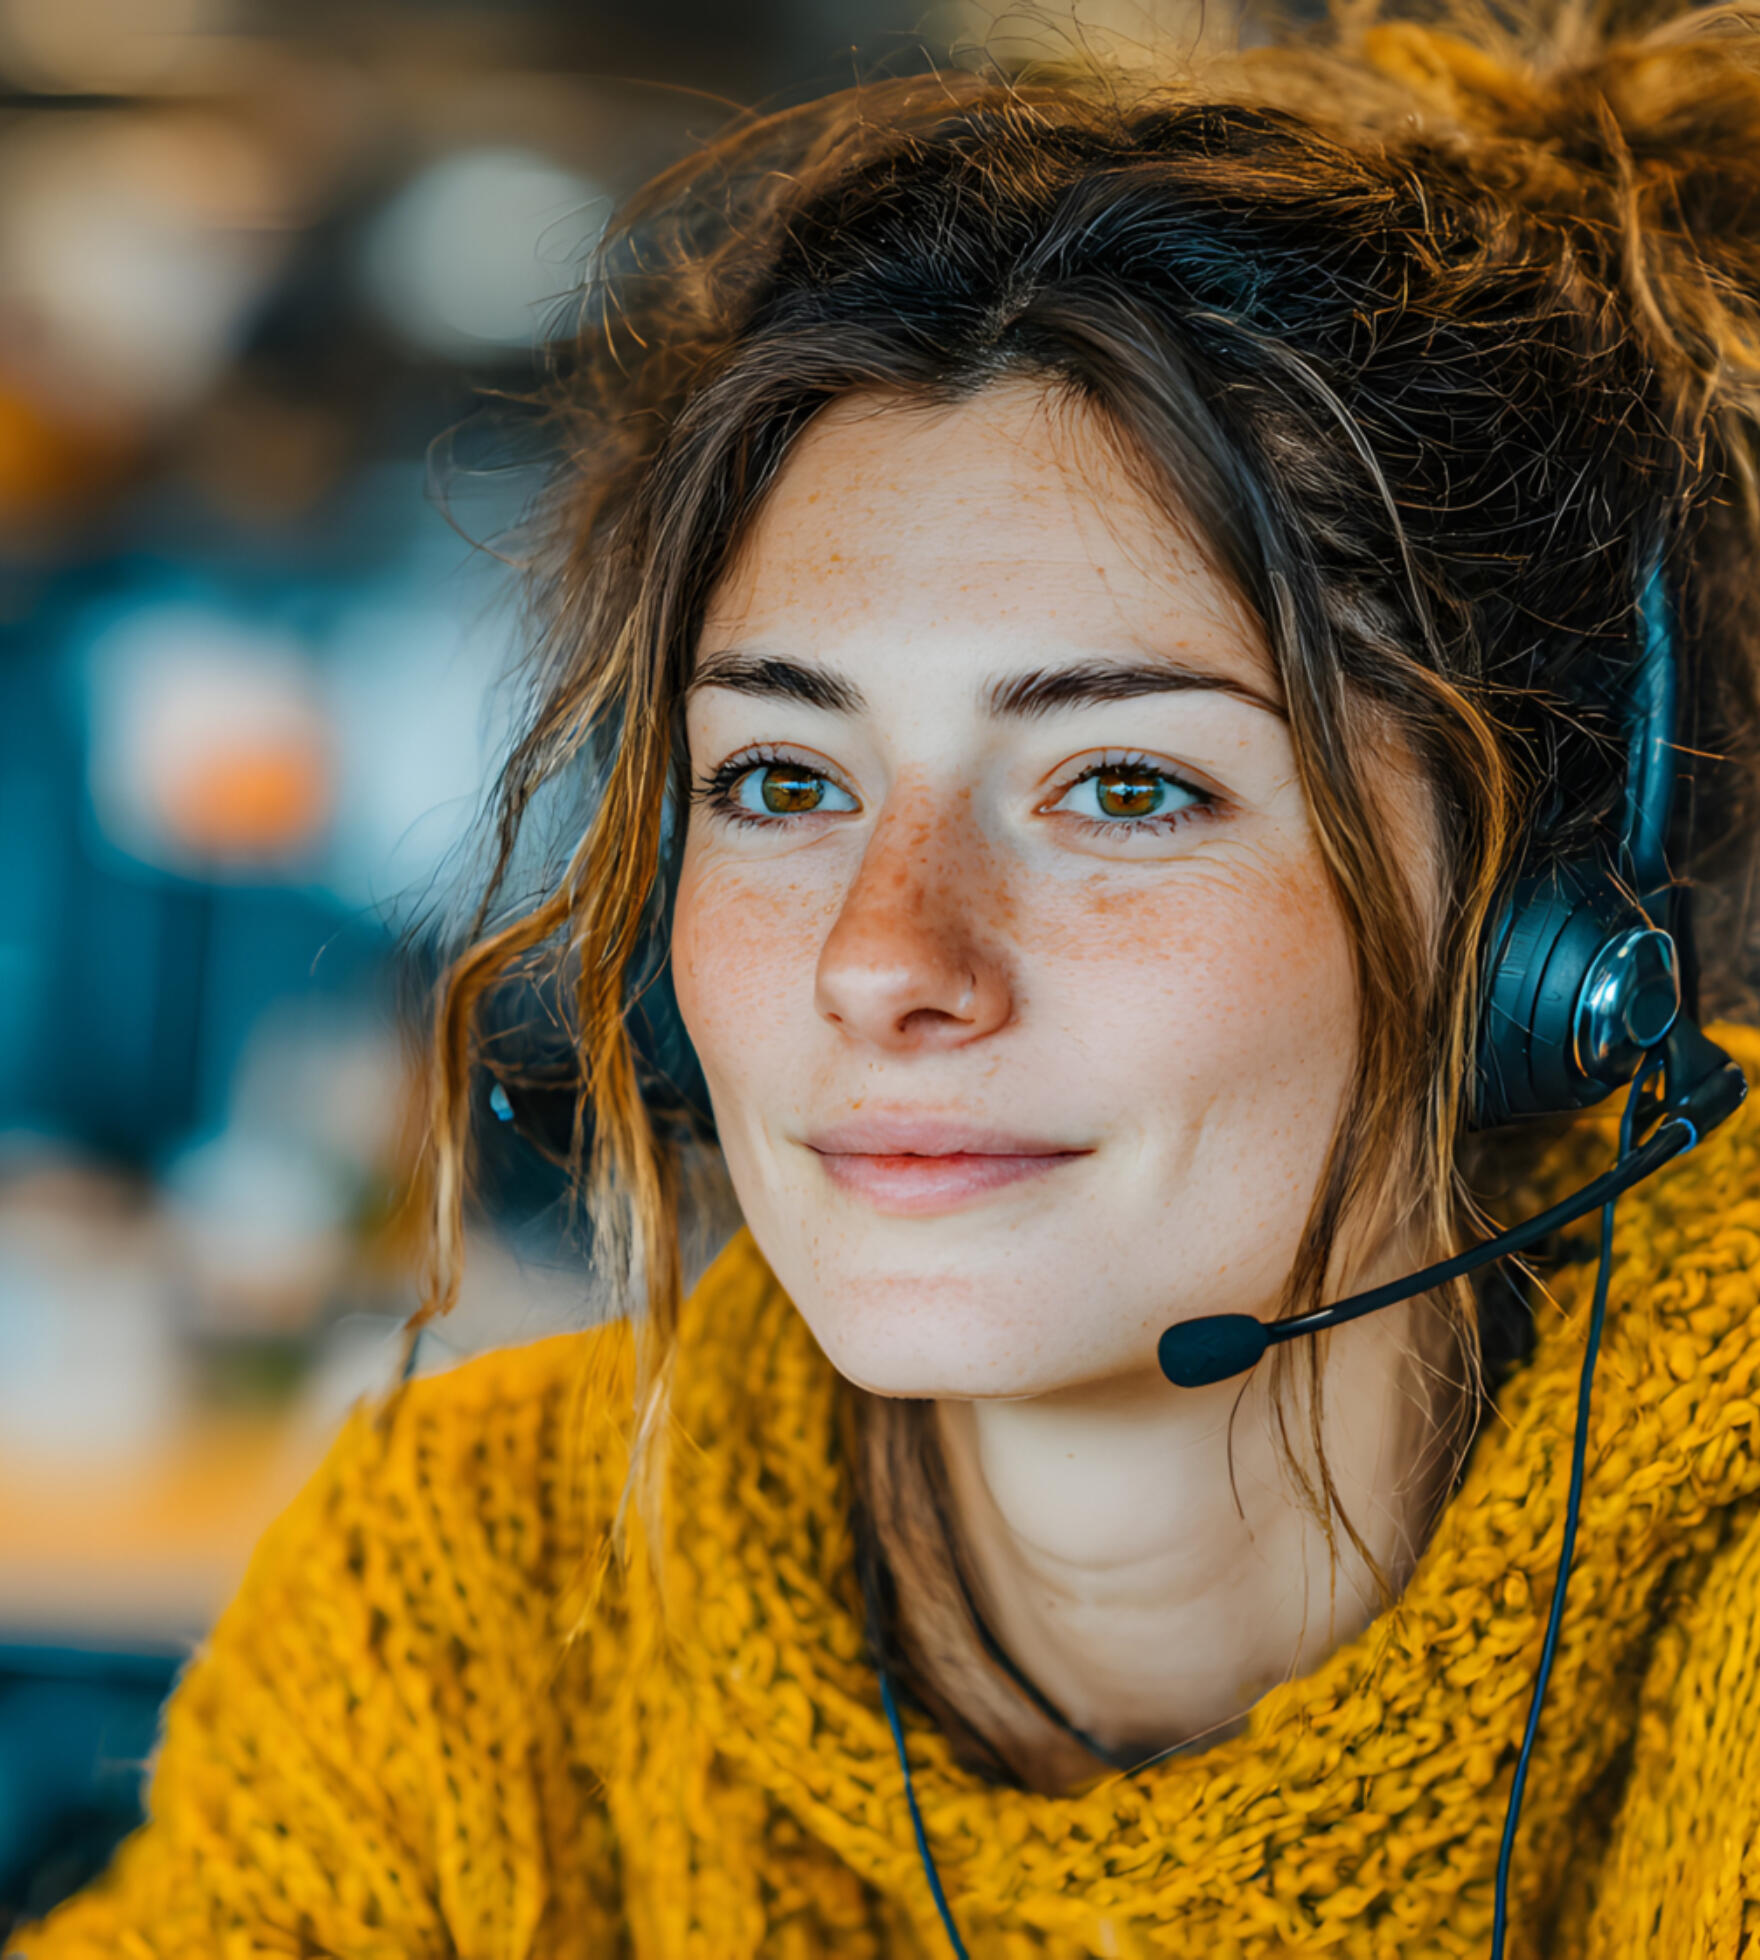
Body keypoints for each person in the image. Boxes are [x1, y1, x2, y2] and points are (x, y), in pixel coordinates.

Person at [13, 0, 1760, 1952]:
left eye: (1122, 783)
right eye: (783, 779)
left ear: (1538, 938)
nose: (883, 959)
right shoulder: (476, 1606)